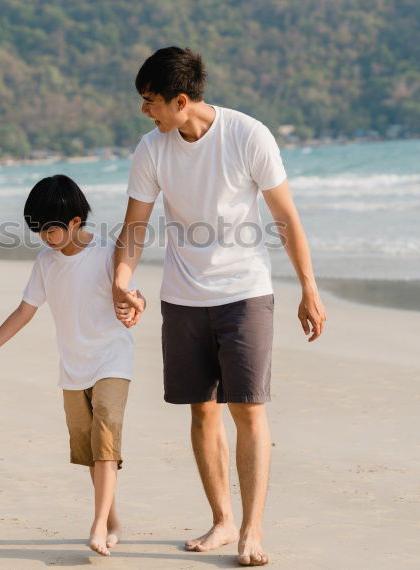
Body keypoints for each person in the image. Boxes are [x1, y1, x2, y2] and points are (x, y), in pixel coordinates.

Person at [112, 47, 327, 567]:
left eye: (151, 102)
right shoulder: (152, 149)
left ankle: (253, 529)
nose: (146, 112)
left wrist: (308, 288)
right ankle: (223, 521)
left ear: (180, 100)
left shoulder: (248, 135)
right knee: (201, 409)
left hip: (244, 291)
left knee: (248, 408)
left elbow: (286, 217)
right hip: (183, 297)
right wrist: (122, 278)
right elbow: (135, 225)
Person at [0, 175, 144, 557]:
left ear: (75, 221)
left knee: (106, 435)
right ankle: (112, 519)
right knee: (92, 448)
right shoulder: (45, 263)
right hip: (73, 367)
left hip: (112, 358)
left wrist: (135, 306)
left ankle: (97, 525)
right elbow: (25, 311)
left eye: (50, 230)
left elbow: (134, 295)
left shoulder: (108, 253)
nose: (44, 237)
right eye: (37, 230)